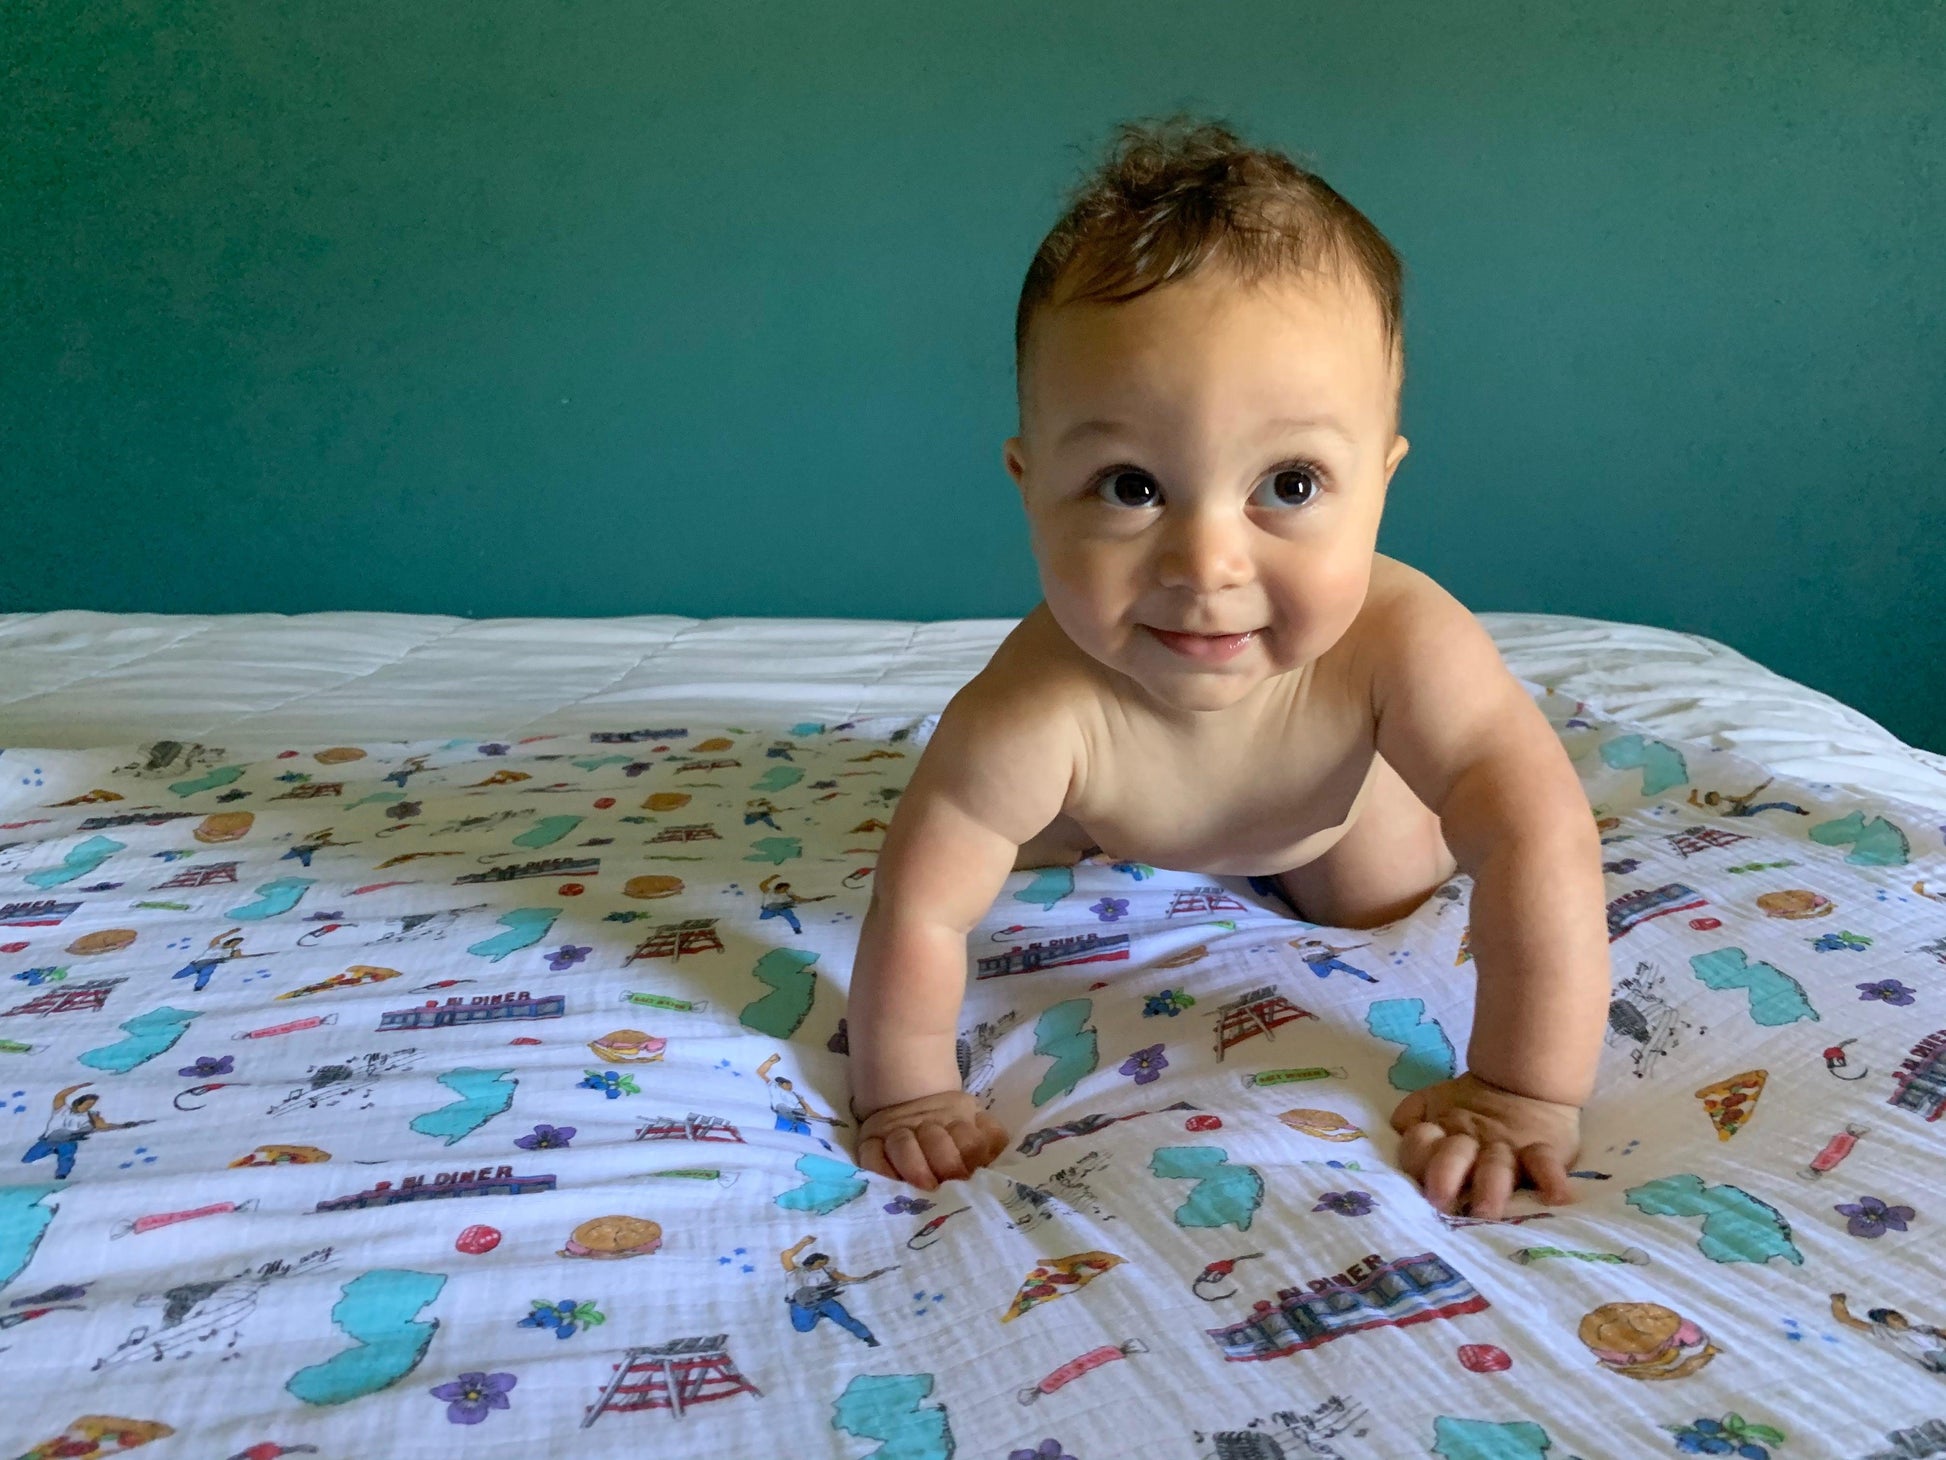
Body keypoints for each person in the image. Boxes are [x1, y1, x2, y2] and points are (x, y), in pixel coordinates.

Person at [846, 115, 1606, 1219]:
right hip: (1112, 805)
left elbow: (1538, 837)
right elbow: (917, 909)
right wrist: (907, 1094)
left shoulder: (1402, 645)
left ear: (1379, 482)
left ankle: (1336, 842)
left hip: (1326, 813)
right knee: (1005, 846)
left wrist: (1519, 1090)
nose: (1203, 564)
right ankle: (1109, 829)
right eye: (1127, 485)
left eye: (1289, 483)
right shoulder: (1031, 704)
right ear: (1026, 482)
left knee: (1385, 894)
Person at [780, 1235, 893, 1346]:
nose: (822, 1266)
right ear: (811, 1261)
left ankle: (868, 1337)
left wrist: (865, 1277)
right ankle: (818, 1314)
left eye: (824, 1263)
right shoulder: (795, 1271)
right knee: (804, 1327)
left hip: (824, 1301)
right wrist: (803, 1243)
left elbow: (845, 1278)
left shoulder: (828, 1271)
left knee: (845, 1320)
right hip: (802, 1305)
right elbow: (786, 1255)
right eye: (819, 1263)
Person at [22, 1083, 150, 1179]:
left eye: (91, 1105)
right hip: (49, 1139)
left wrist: (123, 1126)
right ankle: (47, 1154)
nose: (89, 1107)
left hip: (68, 1141)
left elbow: (102, 1126)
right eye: (87, 1104)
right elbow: (60, 1095)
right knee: (28, 1159)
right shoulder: (62, 1110)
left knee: (66, 1157)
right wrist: (79, 1086)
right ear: (78, 1102)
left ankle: (61, 1176)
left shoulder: (90, 1117)